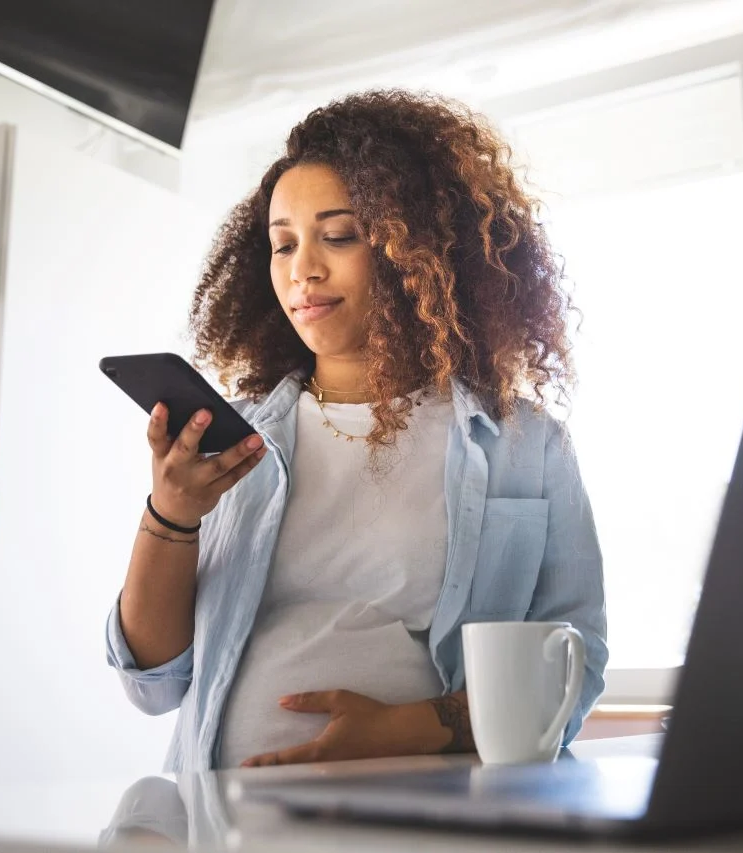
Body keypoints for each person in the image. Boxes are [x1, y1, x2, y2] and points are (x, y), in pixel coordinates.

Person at [105, 89, 607, 771]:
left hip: (432, 805)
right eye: (283, 244)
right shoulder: (235, 440)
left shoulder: (525, 445)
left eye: (339, 236)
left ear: (419, 249)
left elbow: (576, 661)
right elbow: (153, 683)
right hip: (223, 808)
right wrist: (170, 515)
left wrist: (411, 728)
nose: (302, 270)